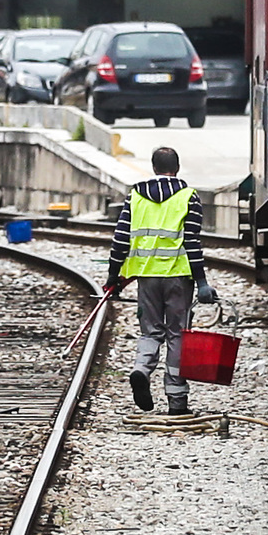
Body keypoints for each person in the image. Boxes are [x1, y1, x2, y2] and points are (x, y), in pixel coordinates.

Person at [107, 145, 201, 412]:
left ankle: (141, 369)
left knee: (150, 331)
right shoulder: (188, 197)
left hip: (146, 277)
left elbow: (120, 240)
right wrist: (202, 282)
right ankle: (177, 401)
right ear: (177, 167)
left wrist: (114, 276)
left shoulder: (135, 196)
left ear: (154, 168)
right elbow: (192, 243)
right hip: (179, 278)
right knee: (177, 335)